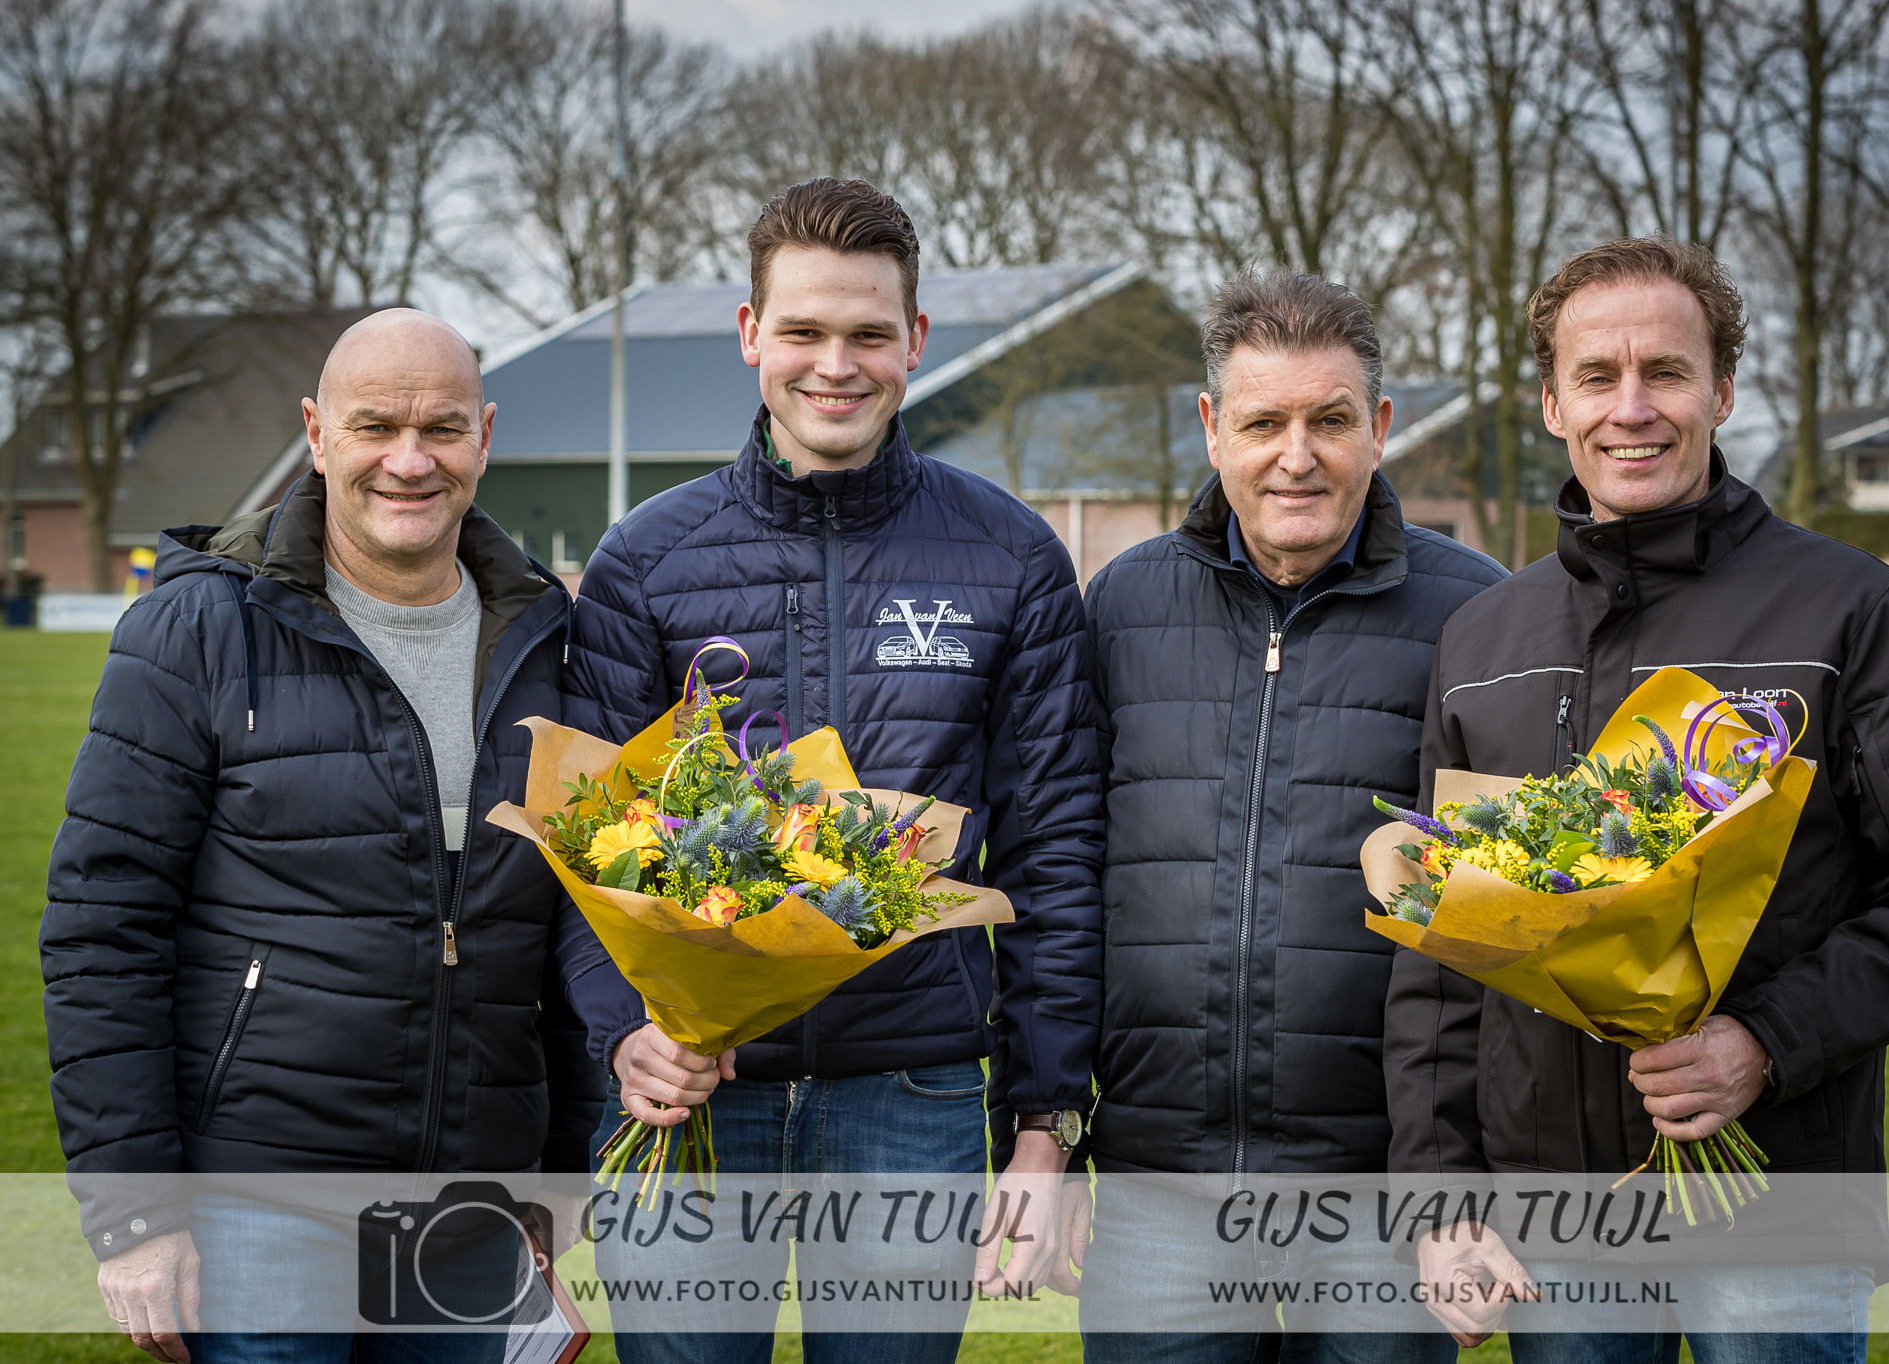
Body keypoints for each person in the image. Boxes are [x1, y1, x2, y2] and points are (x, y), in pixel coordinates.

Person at [1382, 236, 1889, 1361]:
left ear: (1721, 391)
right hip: (1557, 1222)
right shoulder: (1482, 639)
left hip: (1777, 1208)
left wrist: (1765, 1042)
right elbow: (1441, 949)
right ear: (1551, 404)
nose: (1630, 408)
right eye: (1596, 375)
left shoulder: (1849, 609)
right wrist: (1440, 1194)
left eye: (1665, 372)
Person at [556, 177, 1104, 1361]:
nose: (835, 366)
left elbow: (1056, 853)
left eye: (867, 333)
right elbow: (580, 844)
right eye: (803, 330)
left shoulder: (1010, 556)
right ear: (750, 333)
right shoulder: (642, 560)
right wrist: (620, 1034)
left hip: (913, 1098)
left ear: (915, 340)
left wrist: (1043, 1124)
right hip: (695, 1095)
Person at [41, 309, 598, 1363]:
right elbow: (102, 929)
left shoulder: (549, 644)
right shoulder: (198, 629)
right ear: (316, 432)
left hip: (472, 1210)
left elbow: (575, 928)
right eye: (374, 426)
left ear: (484, 436)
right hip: (259, 1205)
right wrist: (135, 1213)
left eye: (440, 428)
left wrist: (563, 1168)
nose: (409, 460)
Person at [1071, 269, 1509, 1362]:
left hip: (1381, 1188)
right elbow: (1064, 875)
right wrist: (1050, 1132)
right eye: (1264, 422)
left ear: (1380, 427)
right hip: (1157, 1184)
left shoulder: (1479, 615)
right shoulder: (1121, 603)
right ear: (1212, 427)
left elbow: (1511, 917)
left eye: (1331, 421)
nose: (1296, 456)